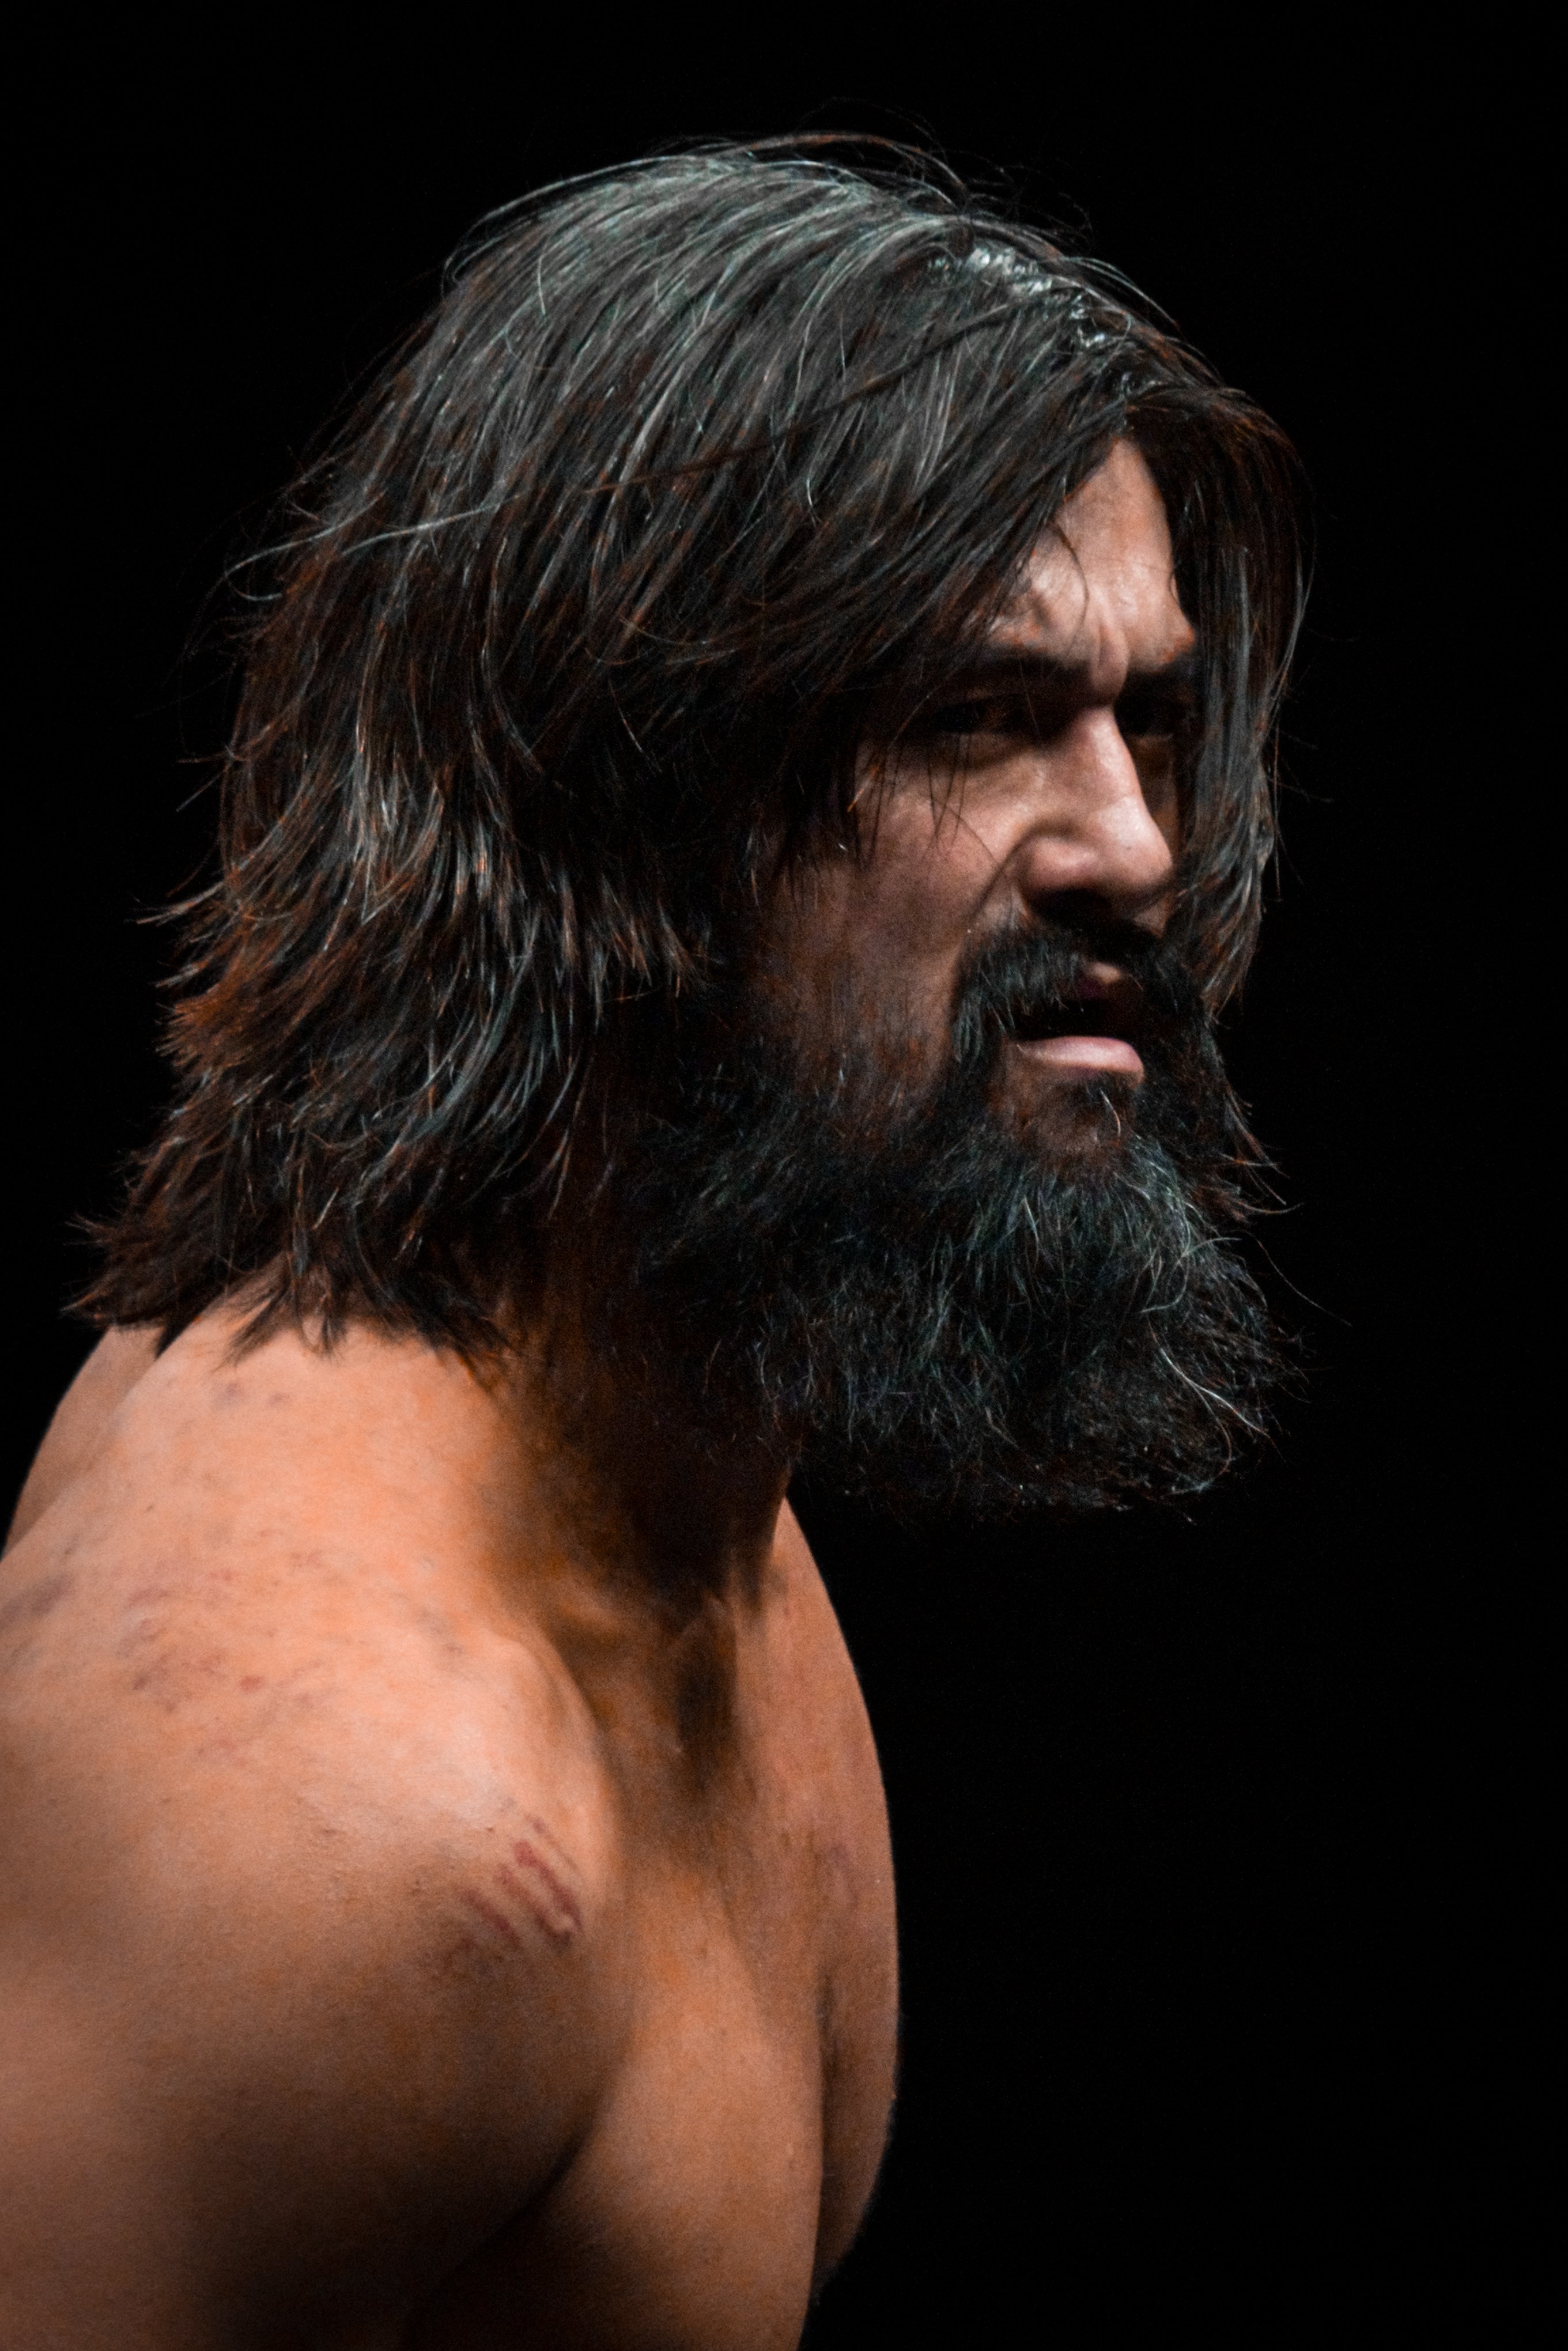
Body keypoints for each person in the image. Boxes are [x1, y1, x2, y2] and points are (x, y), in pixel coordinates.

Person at [0, 144, 1302, 2348]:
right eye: (975, 717)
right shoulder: (322, 1809)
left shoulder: (684, 1470)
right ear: (616, 795)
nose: (1131, 848)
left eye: (1146, 722)